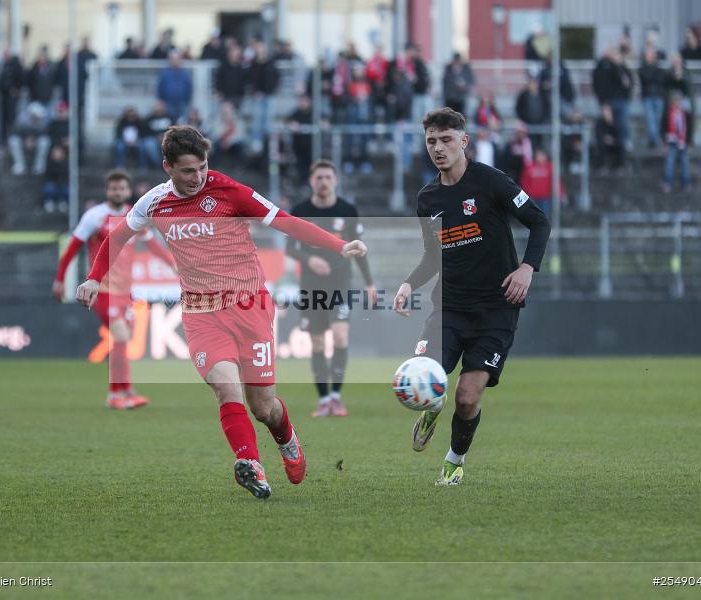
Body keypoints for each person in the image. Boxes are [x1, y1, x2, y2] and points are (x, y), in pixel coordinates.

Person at [75, 126, 367, 499]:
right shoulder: (153, 203)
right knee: (225, 388)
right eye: (186, 171)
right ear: (167, 167)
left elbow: (284, 221)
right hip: (201, 312)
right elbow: (117, 237)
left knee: (263, 407)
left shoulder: (229, 191)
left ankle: (287, 438)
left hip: (250, 306)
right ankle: (252, 465)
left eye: (202, 167)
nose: (197, 177)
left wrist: (338, 246)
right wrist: (93, 279)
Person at [393, 108, 550, 486]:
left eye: (446, 139)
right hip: (448, 308)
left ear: (464, 141)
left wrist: (527, 268)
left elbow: (539, 221)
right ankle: (432, 406)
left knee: (466, 396)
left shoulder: (493, 183)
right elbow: (434, 256)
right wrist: (408, 285)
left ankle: (454, 460)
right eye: (432, 141)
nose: (438, 148)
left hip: (497, 309)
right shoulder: (428, 199)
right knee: (423, 378)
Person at [54, 169, 174, 408]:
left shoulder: (134, 215)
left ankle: (125, 391)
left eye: (121, 188)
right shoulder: (94, 216)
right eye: (113, 188)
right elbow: (72, 249)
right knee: (120, 336)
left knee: (123, 340)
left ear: (128, 191)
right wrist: (59, 279)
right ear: (107, 190)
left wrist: (175, 266)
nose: (117, 192)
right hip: (103, 290)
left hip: (126, 291)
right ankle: (115, 395)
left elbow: (153, 245)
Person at [287, 159, 376, 417]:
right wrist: (309, 259)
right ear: (311, 181)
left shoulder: (347, 210)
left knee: (339, 336)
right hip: (311, 286)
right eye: (319, 178)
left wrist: (369, 283)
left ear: (335, 180)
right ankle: (323, 399)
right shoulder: (300, 210)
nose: (323, 182)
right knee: (316, 342)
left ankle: (336, 397)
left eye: (328, 177)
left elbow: (359, 250)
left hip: (340, 283)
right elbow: (290, 249)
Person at [661, 91, 690, 193]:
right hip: (671, 141)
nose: (677, 103)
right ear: (672, 102)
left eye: (679, 101)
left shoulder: (685, 113)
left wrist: (688, 141)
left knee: (684, 163)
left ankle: (686, 183)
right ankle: (668, 183)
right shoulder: (667, 113)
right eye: (675, 101)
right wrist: (664, 142)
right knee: (669, 162)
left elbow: (689, 128)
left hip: (683, 142)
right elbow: (663, 128)